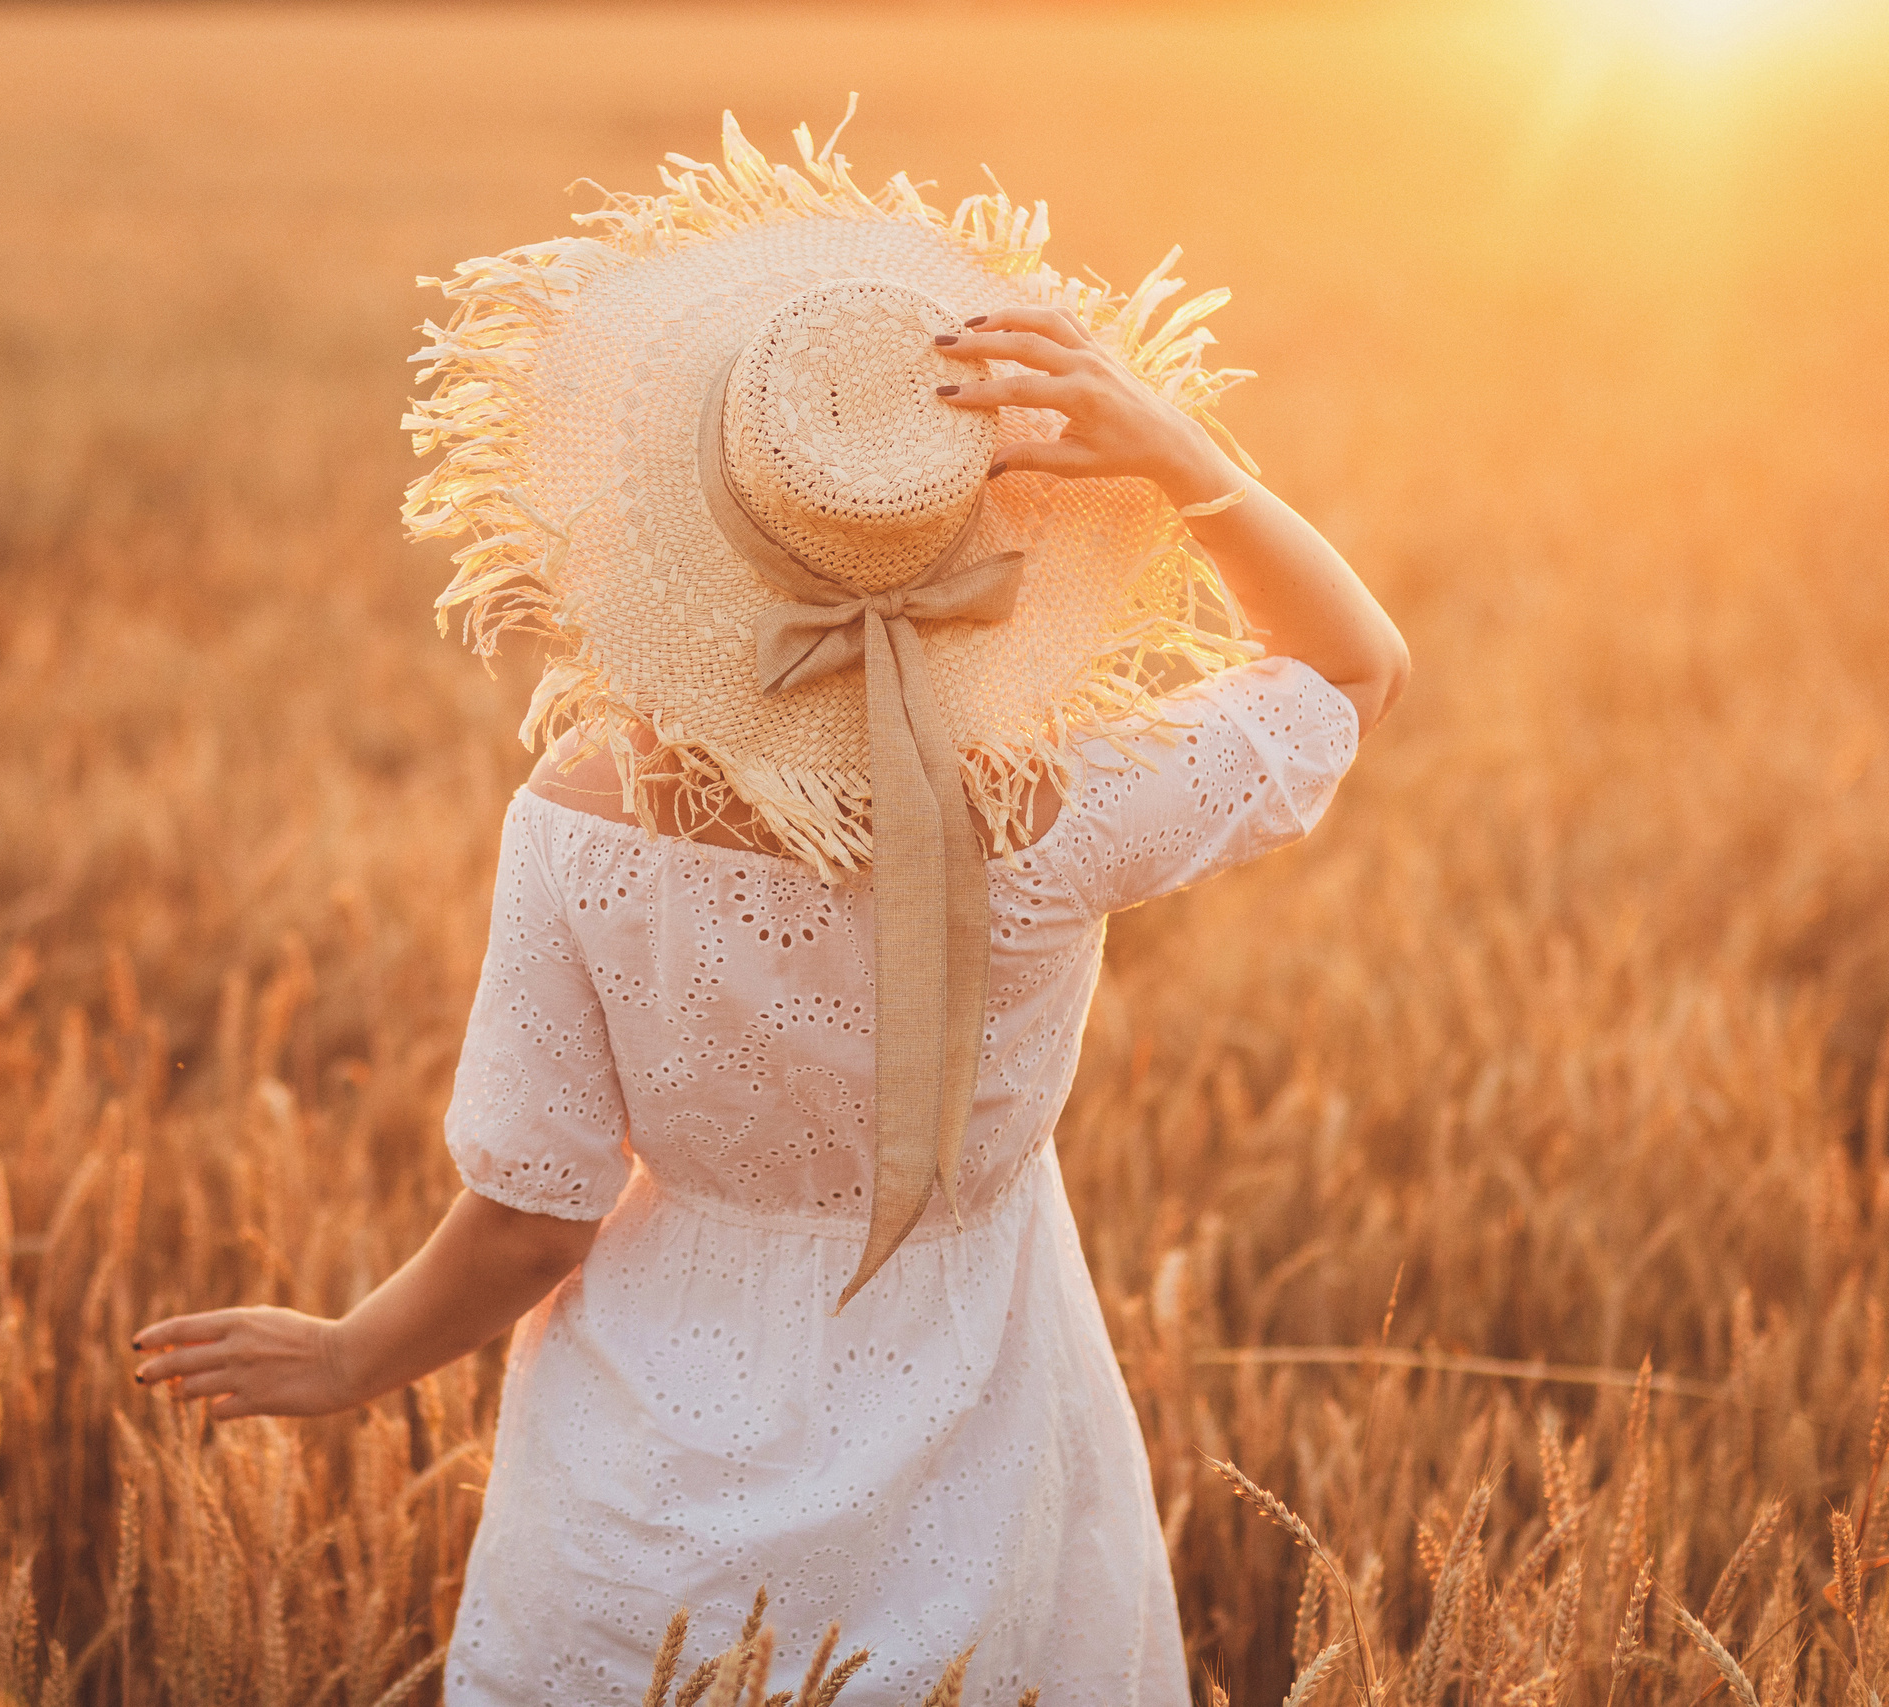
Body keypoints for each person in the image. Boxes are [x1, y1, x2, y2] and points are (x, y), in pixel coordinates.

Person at [134, 114, 1406, 1705]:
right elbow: (1355, 669)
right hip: (977, 1430)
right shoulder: (1052, 813)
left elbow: (531, 1219)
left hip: (644, 1482)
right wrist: (1181, 456)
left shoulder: (583, 821)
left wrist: (344, 1356)